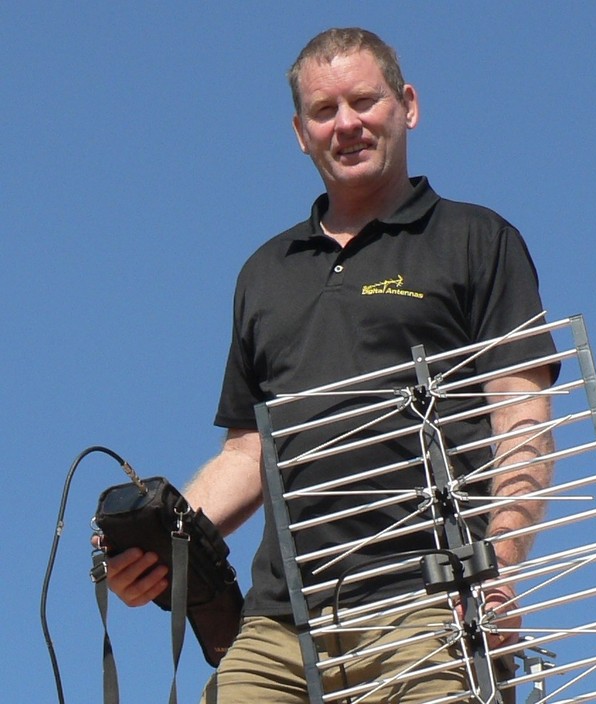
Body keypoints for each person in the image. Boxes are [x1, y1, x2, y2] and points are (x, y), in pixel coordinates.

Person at [104, 27, 558, 703]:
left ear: (407, 105)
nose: (346, 123)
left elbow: (523, 423)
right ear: (299, 132)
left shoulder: (475, 240)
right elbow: (249, 453)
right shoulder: (265, 272)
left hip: (427, 606)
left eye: (364, 101)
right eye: (324, 110)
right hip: (279, 625)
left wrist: (499, 573)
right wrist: (157, 546)